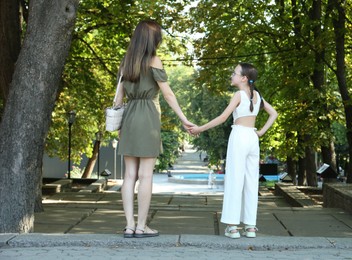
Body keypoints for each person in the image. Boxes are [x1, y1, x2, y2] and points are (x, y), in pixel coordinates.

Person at [113, 20, 194, 238]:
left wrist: (119, 125)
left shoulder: (125, 63)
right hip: (148, 117)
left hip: (129, 119)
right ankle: (141, 226)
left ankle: (129, 225)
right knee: (146, 175)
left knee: (129, 175)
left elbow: (119, 99)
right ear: (153, 40)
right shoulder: (154, 60)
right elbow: (168, 94)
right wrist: (184, 119)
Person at [190, 63, 278, 238]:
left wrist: (200, 129)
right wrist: (260, 132)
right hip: (253, 138)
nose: (232, 75)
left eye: (234, 73)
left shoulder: (239, 95)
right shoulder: (257, 96)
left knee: (234, 180)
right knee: (251, 182)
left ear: (244, 78)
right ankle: (251, 227)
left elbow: (223, 118)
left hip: (239, 136)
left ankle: (232, 227)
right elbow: (274, 113)